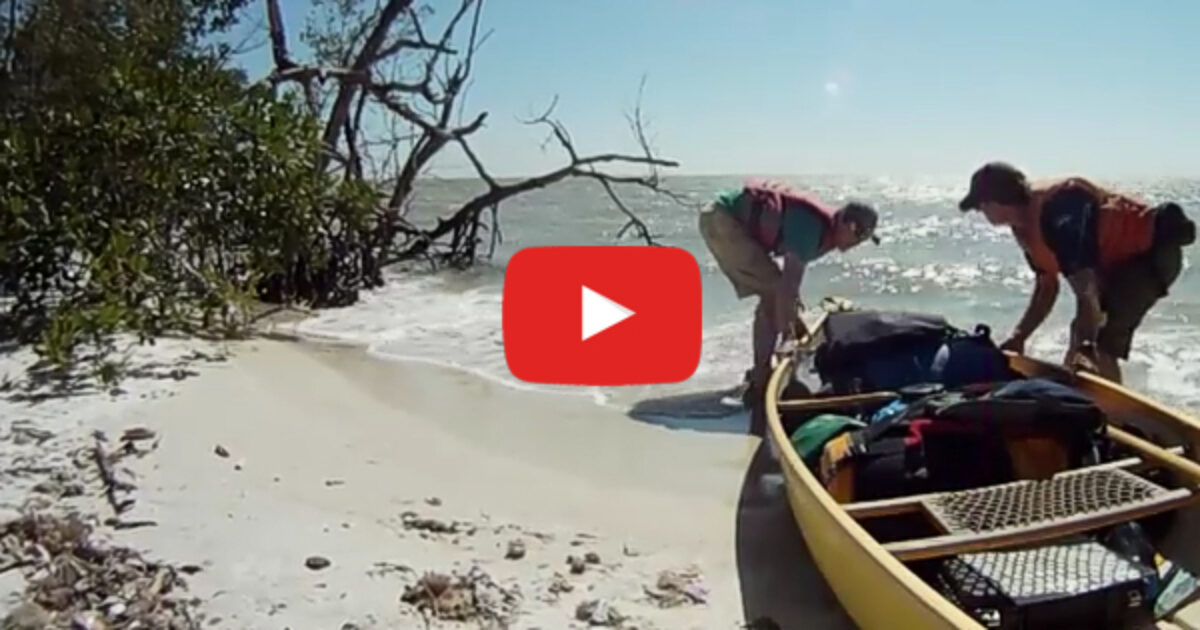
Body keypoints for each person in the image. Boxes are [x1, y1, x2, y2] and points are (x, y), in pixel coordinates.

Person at [958, 161, 1195, 383]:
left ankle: (1115, 412)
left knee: (1099, 340)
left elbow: (1086, 290)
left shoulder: (1059, 210)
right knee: (1084, 329)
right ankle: (1081, 393)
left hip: (1151, 253)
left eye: (980, 205)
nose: (980, 212)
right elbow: (1046, 287)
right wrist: (1020, 337)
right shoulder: (1023, 227)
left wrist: (1084, 348)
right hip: (1117, 261)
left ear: (995, 202)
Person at [699, 179, 880, 405]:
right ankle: (760, 376)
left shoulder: (824, 230)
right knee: (774, 293)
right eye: (859, 233)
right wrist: (789, 337)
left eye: (865, 237)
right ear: (845, 223)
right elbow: (788, 286)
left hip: (723, 216)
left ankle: (763, 369)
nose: (858, 242)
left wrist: (791, 314)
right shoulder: (811, 228)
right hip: (722, 219)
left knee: (777, 295)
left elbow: (790, 287)